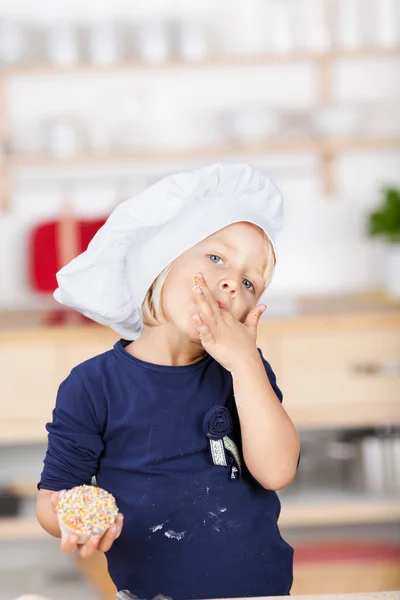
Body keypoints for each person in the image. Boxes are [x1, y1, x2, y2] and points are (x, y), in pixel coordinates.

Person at [36, 163, 300, 600]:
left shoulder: (245, 372)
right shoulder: (92, 386)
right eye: (216, 257)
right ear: (159, 262)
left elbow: (276, 471)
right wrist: (70, 518)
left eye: (250, 282)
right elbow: (54, 497)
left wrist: (247, 364)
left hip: (261, 593)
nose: (233, 283)